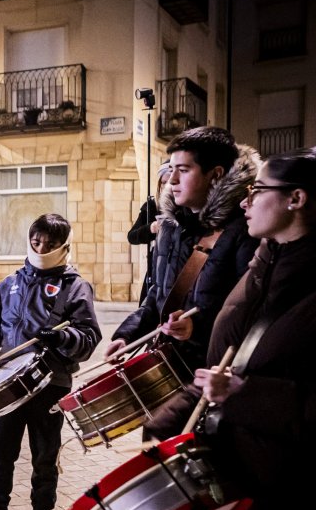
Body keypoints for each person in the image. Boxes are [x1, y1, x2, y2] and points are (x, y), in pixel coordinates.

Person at [145, 146, 316, 510]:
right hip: (229, 464)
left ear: (296, 199)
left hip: (300, 487)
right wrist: (169, 417)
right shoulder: (264, 261)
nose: (245, 201)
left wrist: (242, 394)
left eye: (258, 190)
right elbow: (226, 359)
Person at [0, 214, 101, 510]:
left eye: (50, 244)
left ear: (64, 245)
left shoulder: (74, 286)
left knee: (44, 454)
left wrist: (64, 337)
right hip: (9, 382)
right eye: (36, 241)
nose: (41, 248)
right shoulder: (10, 283)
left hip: (51, 383)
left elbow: (90, 336)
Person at [106, 127, 260, 377]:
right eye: (171, 169)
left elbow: (251, 313)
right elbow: (157, 297)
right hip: (170, 363)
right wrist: (126, 335)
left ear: (216, 174)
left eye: (184, 170)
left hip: (214, 371)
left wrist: (195, 328)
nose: (172, 179)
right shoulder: (169, 227)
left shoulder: (245, 229)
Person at [127, 163, 172, 304]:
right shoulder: (153, 206)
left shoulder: (186, 205)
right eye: (163, 183)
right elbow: (132, 236)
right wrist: (150, 228)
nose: (166, 187)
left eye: (170, 182)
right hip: (157, 265)